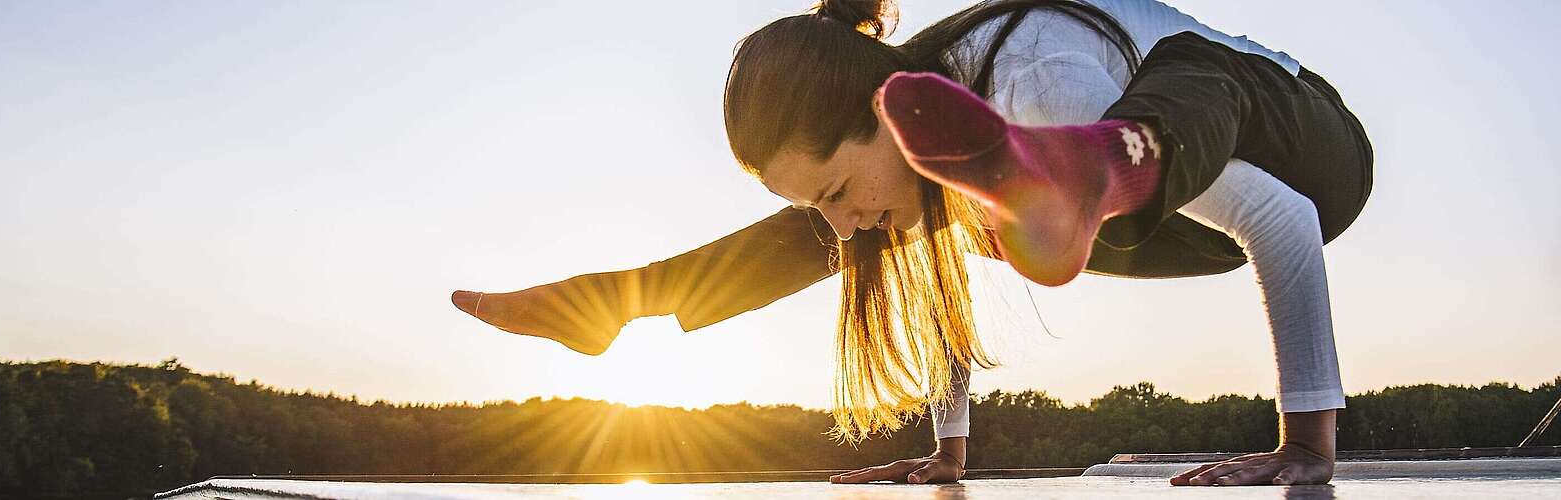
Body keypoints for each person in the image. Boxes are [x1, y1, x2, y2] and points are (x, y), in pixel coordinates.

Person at [451, 0, 1372, 487]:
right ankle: (616, 303)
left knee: (1187, 77)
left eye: (841, 188)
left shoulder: (1033, 84)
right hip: (1145, 213)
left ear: (886, 120)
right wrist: (950, 453)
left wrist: (1305, 446)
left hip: (1305, 144)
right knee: (854, 231)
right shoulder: (932, 145)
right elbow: (926, 270)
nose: (843, 223)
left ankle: (1098, 166)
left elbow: (1286, 217)